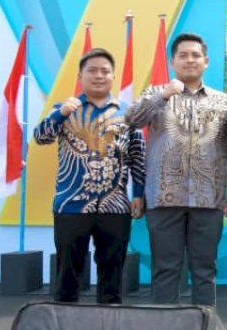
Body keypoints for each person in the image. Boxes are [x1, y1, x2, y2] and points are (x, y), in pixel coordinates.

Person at [126, 33, 227, 307]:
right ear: (172, 61)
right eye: (183, 55)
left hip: (209, 198)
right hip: (164, 198)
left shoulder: (224, 102)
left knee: (205, 270)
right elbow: (131, 120)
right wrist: (162, 96)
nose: (189, 60)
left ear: (206, 61)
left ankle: (204, 328)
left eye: (195, 55)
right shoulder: (155, 95)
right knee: (165, 270)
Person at [35, 48, 145, 304]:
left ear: (113, 76)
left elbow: (138, 157)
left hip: (116, 206)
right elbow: (41, 137)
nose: (99, 76)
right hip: (71, 205)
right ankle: (63, 322)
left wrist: (138, 194)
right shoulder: (64, 109)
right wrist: (59, 114)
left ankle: (109, 324)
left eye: (105, 71)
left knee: (112, 271)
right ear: (81, 75)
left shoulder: (128, 114)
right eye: (92, 70)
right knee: (68, 273)